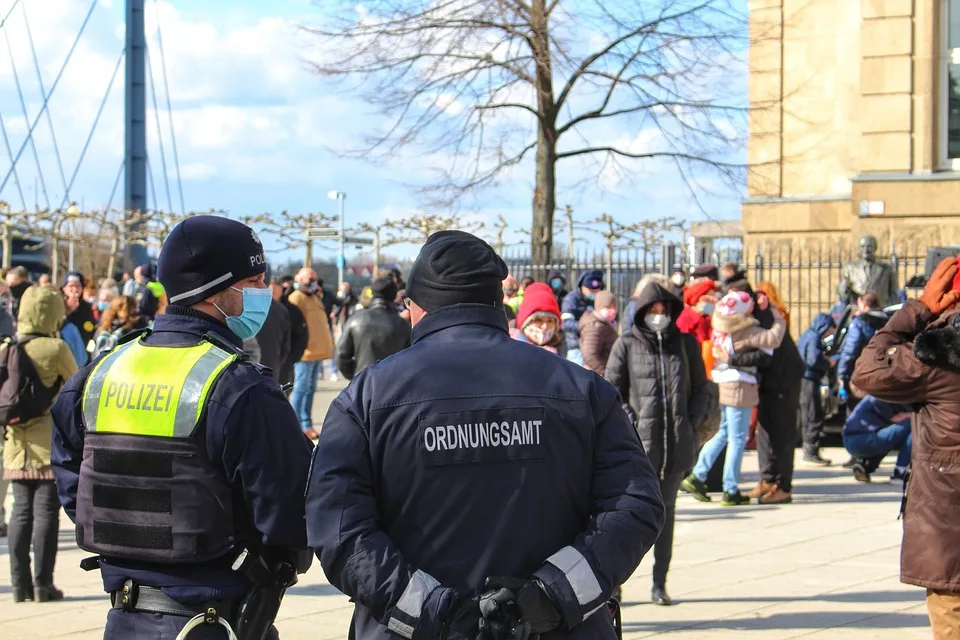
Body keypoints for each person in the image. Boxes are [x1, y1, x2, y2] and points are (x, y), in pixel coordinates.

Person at [306, 230, 665, 640]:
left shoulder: (366, 398)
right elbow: (634, 506)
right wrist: (548, 598)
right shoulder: (583, 389)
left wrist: (435, 612)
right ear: (498, 301)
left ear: (416, 306)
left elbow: (339, 531)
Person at [50, 215, 313, 639]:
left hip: (124, 617)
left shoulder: (99, 373)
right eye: (255, 279)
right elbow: (291, 512)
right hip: (214, 617)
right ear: (218, 290)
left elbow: (70, 476)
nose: (264, 290)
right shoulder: (240, 387)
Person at [852, 257, 960, 637]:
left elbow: (867, 371)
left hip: (950, 518)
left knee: (951, 608)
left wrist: (917, 311)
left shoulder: (940, 353)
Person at [606, 282, 709, 606]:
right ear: (642, 313)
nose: (659, 317)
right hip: (639, 451)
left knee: (665, 520)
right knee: (625, 520)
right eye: (653, 311)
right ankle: (615, 582)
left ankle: (659, 583)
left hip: (675, 448)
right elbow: (612, 391)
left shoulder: (686, 345)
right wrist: (631, 425)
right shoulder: (626, 345)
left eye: (665, 311)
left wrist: (690, 425)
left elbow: (702, 390)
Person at [5, 285, 78, 603]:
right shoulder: (56, 348)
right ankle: (43, 584)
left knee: (20, 513)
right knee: (47, 512)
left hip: (15, 445)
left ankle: (19, 584)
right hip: (48, 443)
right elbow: (75, 386)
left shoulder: (9, 347)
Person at [682, 290, 786, 505]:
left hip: (722, 381)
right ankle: (730, 489)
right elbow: (773, 339)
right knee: (738, 438)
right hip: (740, 385)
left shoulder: (720, 325)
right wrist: (779, 319)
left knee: (722, 433)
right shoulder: (745, 330)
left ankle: (698, 475)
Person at [733, 281, 804, 505]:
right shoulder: (754, 317)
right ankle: (768, 478)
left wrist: (732, 358)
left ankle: (783, 486)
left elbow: (765, 355)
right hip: (767, 382)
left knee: (782, 433)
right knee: (765, 432)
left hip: (784, 380)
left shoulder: (770, 316)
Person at [336, 275, 410, 380]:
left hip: (363, 383)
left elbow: (341, 355)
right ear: (394, 295)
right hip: (393, 383)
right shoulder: (402, 324)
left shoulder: (356, 319)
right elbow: (409, 359)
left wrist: (356, 377)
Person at [288, 267, 334, 437]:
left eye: (315, 278)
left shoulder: (314, 297)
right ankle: (294, 425)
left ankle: (306, 424)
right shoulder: (296, 298)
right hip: (305, 353)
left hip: (318, 351)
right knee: (301, 388)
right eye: (309, 279)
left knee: (310, 388)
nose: (313, 282)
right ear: (298, 279)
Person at [837, 291, 887, 411]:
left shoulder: (860, 322)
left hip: (861, 374)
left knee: (858, 414)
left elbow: (850, 350)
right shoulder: (888, 320)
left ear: (864, 304)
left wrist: (841, 374)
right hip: (883, 374)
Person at [842, 395, 912, 483]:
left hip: (849, 441)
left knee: (891, 436)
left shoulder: (875, 392)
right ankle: (900, 471)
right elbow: (895, 417)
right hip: (864, 439)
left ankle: (865, 465)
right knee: (914, 423)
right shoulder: (881, 395)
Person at [798, 313, 837, 465]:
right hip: (810, 379)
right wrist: (828, 362)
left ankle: (809, 449)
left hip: (803, 379)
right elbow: (813, 359)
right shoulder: (814, 337)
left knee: (808, 415)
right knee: (813, 415)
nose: (828, 334)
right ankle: (810, 451)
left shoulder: (807, 335)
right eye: (829, 330)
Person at [838, 234, 898, 308]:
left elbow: (893, 292)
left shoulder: (886, 268)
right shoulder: (851, 267)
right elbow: (843, 290)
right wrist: (843, 289)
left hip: (880, 309)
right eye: (862, 246)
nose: (865, 250)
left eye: (869, 246)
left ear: (875, 248)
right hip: (858, 308)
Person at [272, 277, 308, 394]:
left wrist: (292, 359)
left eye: (276, 289)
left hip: (285, 365)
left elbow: (302, 336)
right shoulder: (256, 309)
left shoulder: (290, 310)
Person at [560, 269, 604, 364]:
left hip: (595, 346)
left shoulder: (599, 299)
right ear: (582, 286)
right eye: (590, 290)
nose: (594, 293)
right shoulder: (571, 300)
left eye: (596, 290)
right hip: (576, 347)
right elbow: (565, 323)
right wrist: (586, 327)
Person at [512, 282, 566, 356]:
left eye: (550, 321)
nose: (545, 327)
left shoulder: (560, 346)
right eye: (538, 320)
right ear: (525, 323)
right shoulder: (507, 343)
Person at [579, 290, 618, 377]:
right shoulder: (595, 326)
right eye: (607, 307)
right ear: (599, 307)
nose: (612, 310)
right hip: (597, 375)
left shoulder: (608, 324)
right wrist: (605, 372)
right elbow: (589, 354)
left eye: (613, 306)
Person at [61, 271, 96, 361]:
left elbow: (91, 327)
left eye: (78, 286)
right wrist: (68, 311)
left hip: (82, 353)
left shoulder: (86, 307)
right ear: (64, 288)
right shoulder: (59, 305)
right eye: (71, 286)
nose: (75, 289)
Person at [676, 279, 717, 344]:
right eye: (708, 299)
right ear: (696, 300)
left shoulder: (708, 317)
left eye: (713, 299)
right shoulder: (685, 319)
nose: (711, 302)